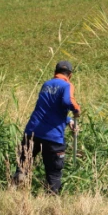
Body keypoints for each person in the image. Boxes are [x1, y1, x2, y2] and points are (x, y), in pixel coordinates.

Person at [14, 61, 81, 194]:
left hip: (32, 132)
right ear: (70, 75)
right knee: (54, 174)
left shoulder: (46, 84)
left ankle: (14, 192)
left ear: (55, 73)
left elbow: (48, 108)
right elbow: (67, 101)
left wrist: (68, 120)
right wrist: (76, 110)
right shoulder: (67, 85)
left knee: (23, 167)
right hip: (53, 136)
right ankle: (50, 200)